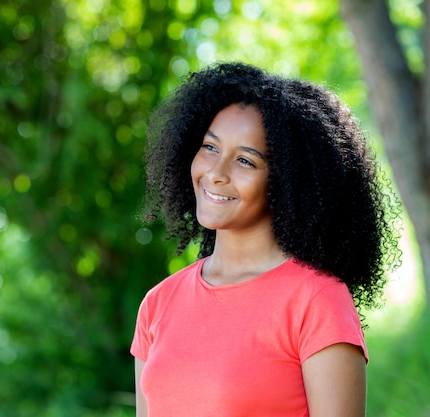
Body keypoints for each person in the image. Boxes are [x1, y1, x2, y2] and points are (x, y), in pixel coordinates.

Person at [131, 62, 401, 417]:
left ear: (287, 183)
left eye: (245, 160)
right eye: (210, 148)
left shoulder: (317, 302)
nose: (215, 173)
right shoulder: (158, 304)